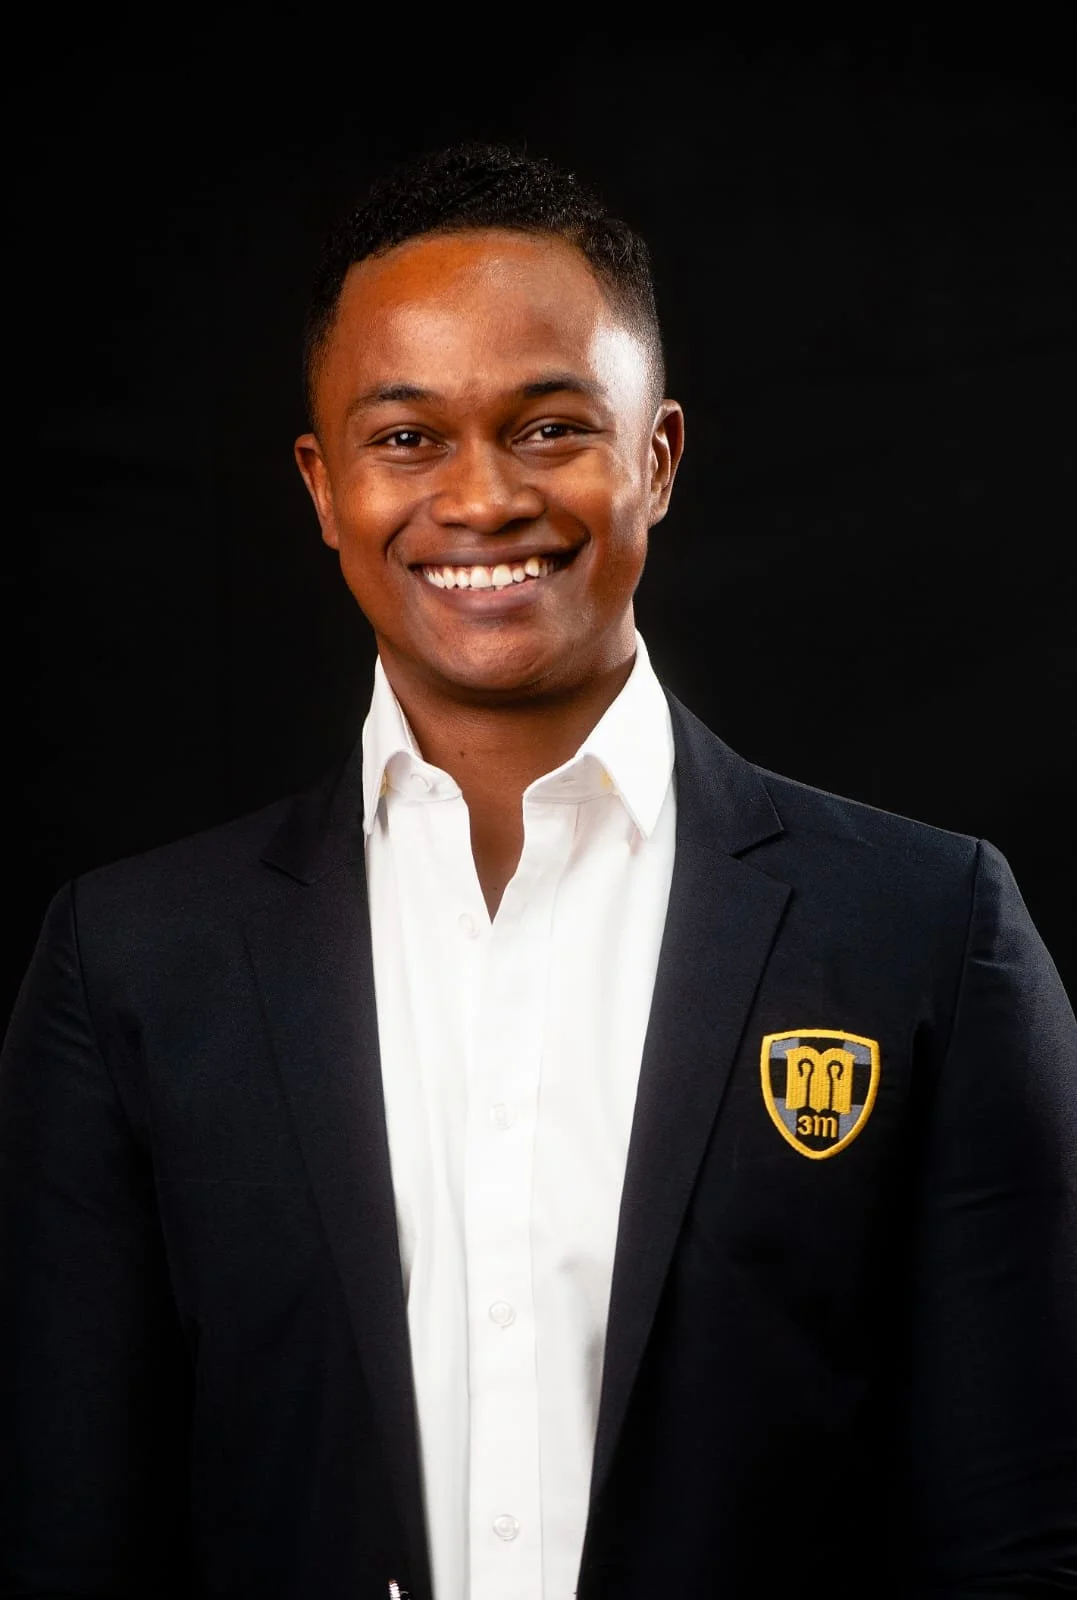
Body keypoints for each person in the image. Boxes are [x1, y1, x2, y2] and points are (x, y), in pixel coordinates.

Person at [2, 142, 1075, 1600]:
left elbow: (1013, 1538)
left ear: (658, 455)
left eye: (551, 426)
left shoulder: (924, 929)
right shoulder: (130, 962)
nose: (484, 497)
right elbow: (74, 1539)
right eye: (407, 438)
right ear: (323, 487)